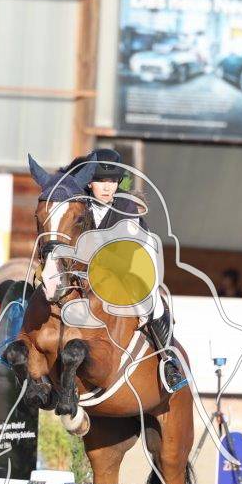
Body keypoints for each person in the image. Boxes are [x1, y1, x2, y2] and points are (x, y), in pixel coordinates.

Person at [70, 148, 186, 391]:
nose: (107, 187)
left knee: (152, 303)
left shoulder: (127, 207)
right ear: (89, 183)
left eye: (112, 181)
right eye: (101, 181)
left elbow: (124, 251)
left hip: (130, 262)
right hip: (89, 268)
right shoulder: (79, 205)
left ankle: (168, 361)